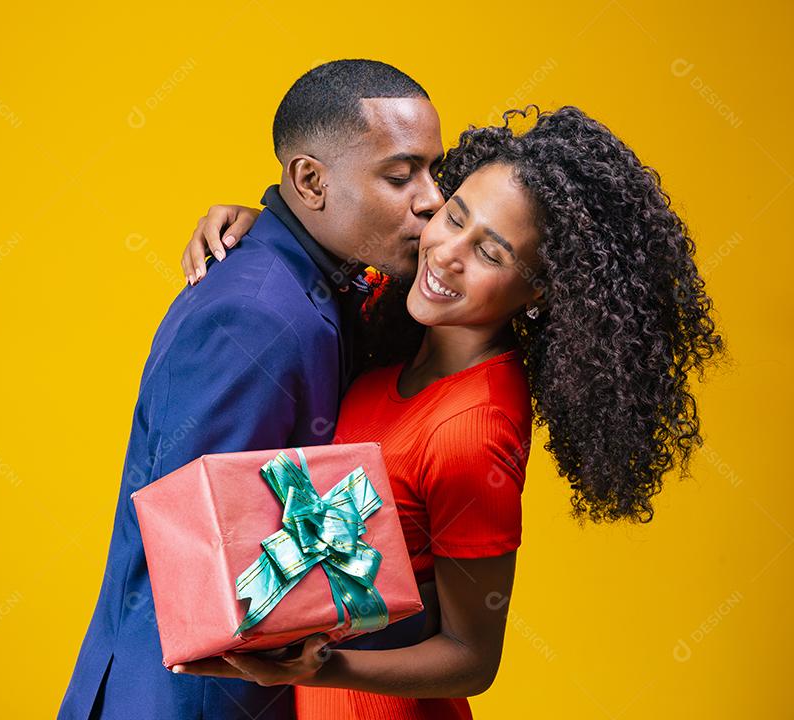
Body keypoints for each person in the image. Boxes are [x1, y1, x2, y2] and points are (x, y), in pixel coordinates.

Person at [173, 106, 724, 719]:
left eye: (491, 253)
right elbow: (322, 254)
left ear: (540, 291)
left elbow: (471, 657)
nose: (446, 254)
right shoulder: (401, 320)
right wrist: (267, 230)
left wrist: (326, 661)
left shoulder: (475, 428)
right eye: (453, 215)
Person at [56, 59, 446, 720]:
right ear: (310, 180)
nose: (432, 197)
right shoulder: (253, 318)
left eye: (434, 170)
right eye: (400, 175)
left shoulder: (331, 276)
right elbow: (201, 569)